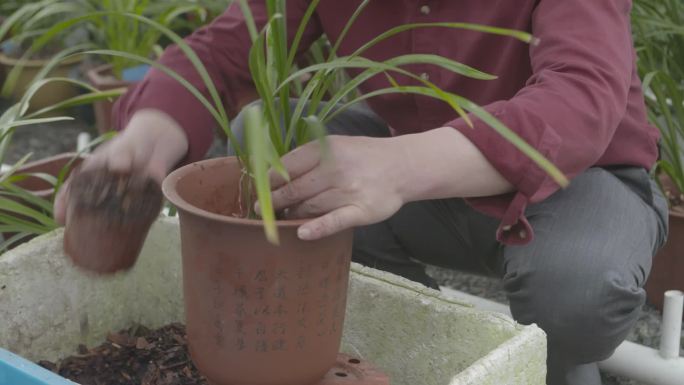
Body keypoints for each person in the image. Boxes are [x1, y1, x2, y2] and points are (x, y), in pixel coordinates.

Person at [55, 1, 669, 384]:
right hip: (418, 181)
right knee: (260, 136)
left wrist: (399, 166)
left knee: (577, 291)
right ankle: (430, 342)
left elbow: (581, 95)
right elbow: (225, 51)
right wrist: (145, 140)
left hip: (578, 180)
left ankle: (559, 359)